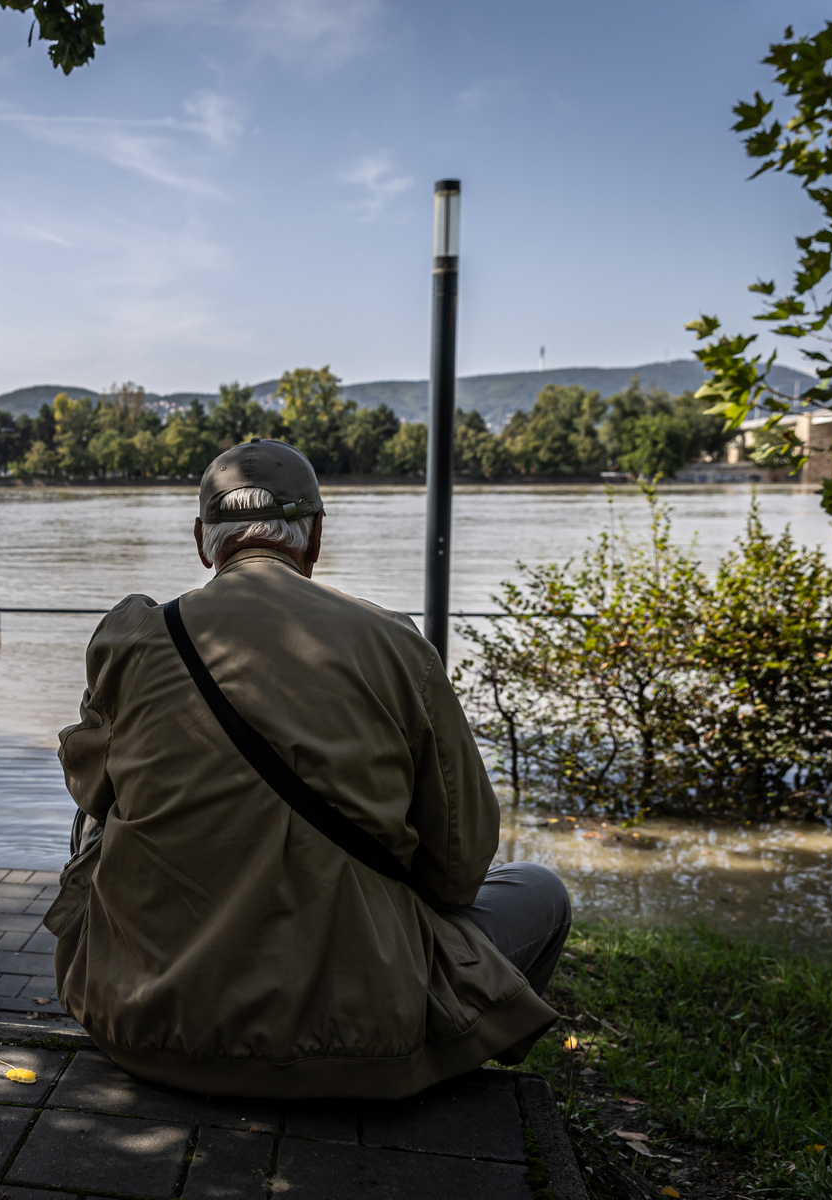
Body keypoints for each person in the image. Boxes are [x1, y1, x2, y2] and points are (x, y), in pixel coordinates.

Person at [44, 438, 570, 1100]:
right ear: (315, 536)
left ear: (204, 541)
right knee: (541, 893)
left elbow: (90, 794)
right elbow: (458, 869)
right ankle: (451, 1076)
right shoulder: (395, 644)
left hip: (144, 1028)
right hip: (362, 1038)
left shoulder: (138, 637)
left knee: (99, 815)